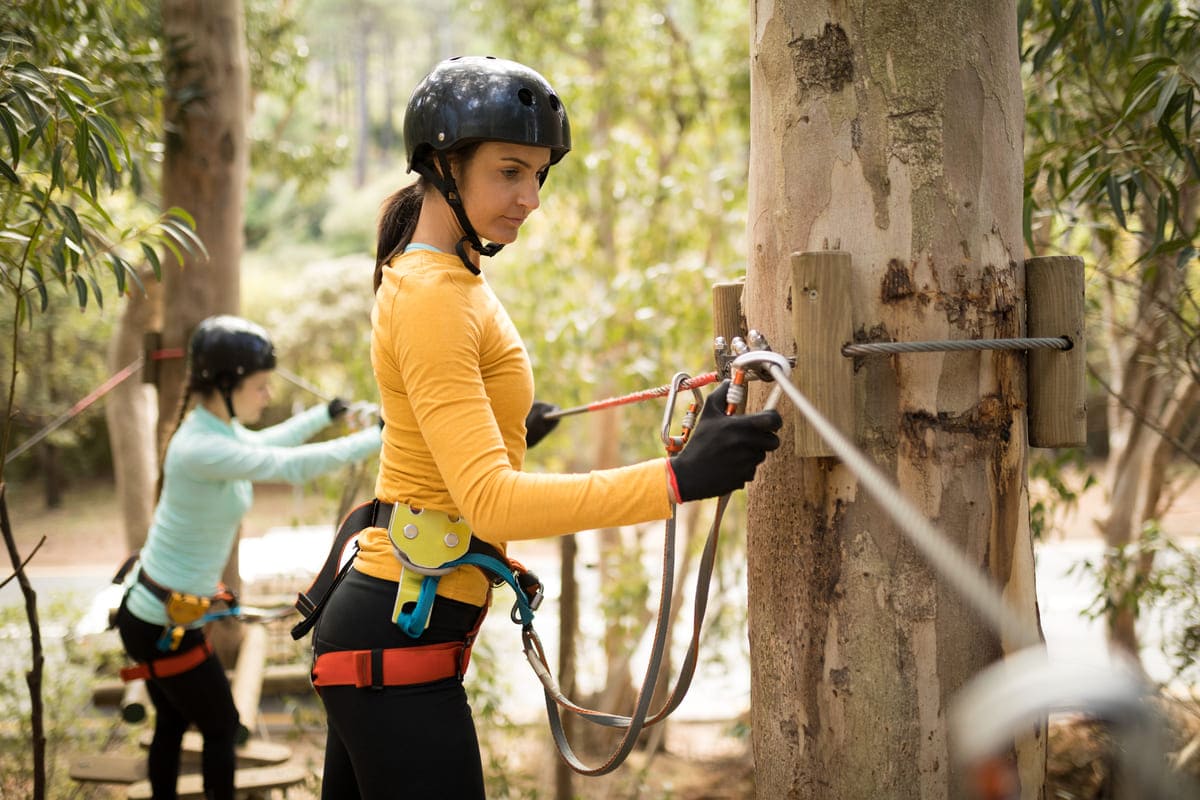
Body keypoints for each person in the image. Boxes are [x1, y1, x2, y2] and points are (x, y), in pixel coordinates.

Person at [310, 55, 782, 799]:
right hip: (397, 641)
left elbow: (435, 436)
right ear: (442, 165)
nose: (530, 196)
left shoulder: (444, 274)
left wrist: (508, 426)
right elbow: (491, 504)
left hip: (391, 628)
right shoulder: (436, 294)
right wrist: (676, 479)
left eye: (538, 174)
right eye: (509, 171)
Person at [114, 315, 381, 800]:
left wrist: (325, 416)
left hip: (162, 615)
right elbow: (286, 464)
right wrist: (381, 437)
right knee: (222, 728)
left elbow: (266, 443)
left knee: (174, 723)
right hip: (159, 622)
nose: (266, 396)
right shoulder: (200, 447)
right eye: (259, 387)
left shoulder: (215, 430)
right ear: (226, 382)